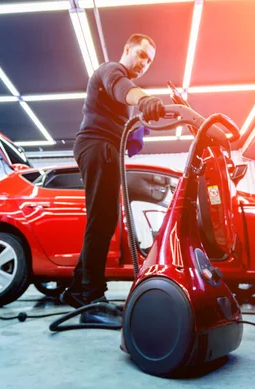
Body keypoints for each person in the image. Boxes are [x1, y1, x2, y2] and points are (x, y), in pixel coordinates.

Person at [60, 33, 165, 324]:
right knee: (102, 220)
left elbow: (130, 121)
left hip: (107, 149)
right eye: (142, 55)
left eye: (150, 61)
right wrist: (144, 100)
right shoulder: (111, 70)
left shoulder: (127, 91)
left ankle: (77, 290)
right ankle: (92, 301)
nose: (144, 63)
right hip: (96, 145)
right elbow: (123, 89)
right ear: (127, 48)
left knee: (105, 220)